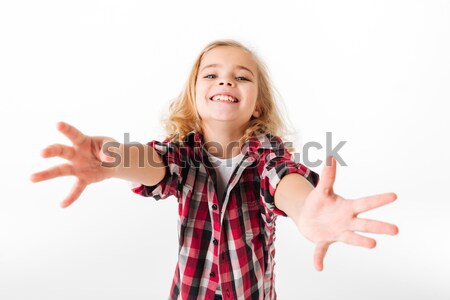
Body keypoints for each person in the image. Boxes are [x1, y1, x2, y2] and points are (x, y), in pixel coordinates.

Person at [30, 39, 399, 300]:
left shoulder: (266, 156)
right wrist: (111, 157)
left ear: (257, 105)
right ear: (195, 95)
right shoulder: (182, 154)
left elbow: (284, 181)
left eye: (242, 76)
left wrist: (307, 211)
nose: (226, 81)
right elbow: (154, 164)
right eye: (211, 75)